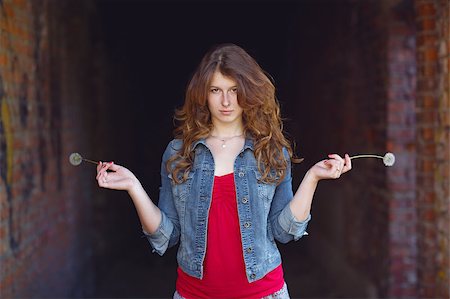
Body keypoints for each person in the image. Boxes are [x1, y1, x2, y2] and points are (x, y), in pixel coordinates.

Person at [95, 43, 352, 299]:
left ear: (249, 92)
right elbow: (166, 236)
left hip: (264, 293)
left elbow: (283, 232)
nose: (226, 101)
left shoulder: (270, 151)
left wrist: (313, 178)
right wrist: (133, 187)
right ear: (203, 94)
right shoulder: (178, 153)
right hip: (194, 294)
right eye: (216, 90)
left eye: (234, 90)